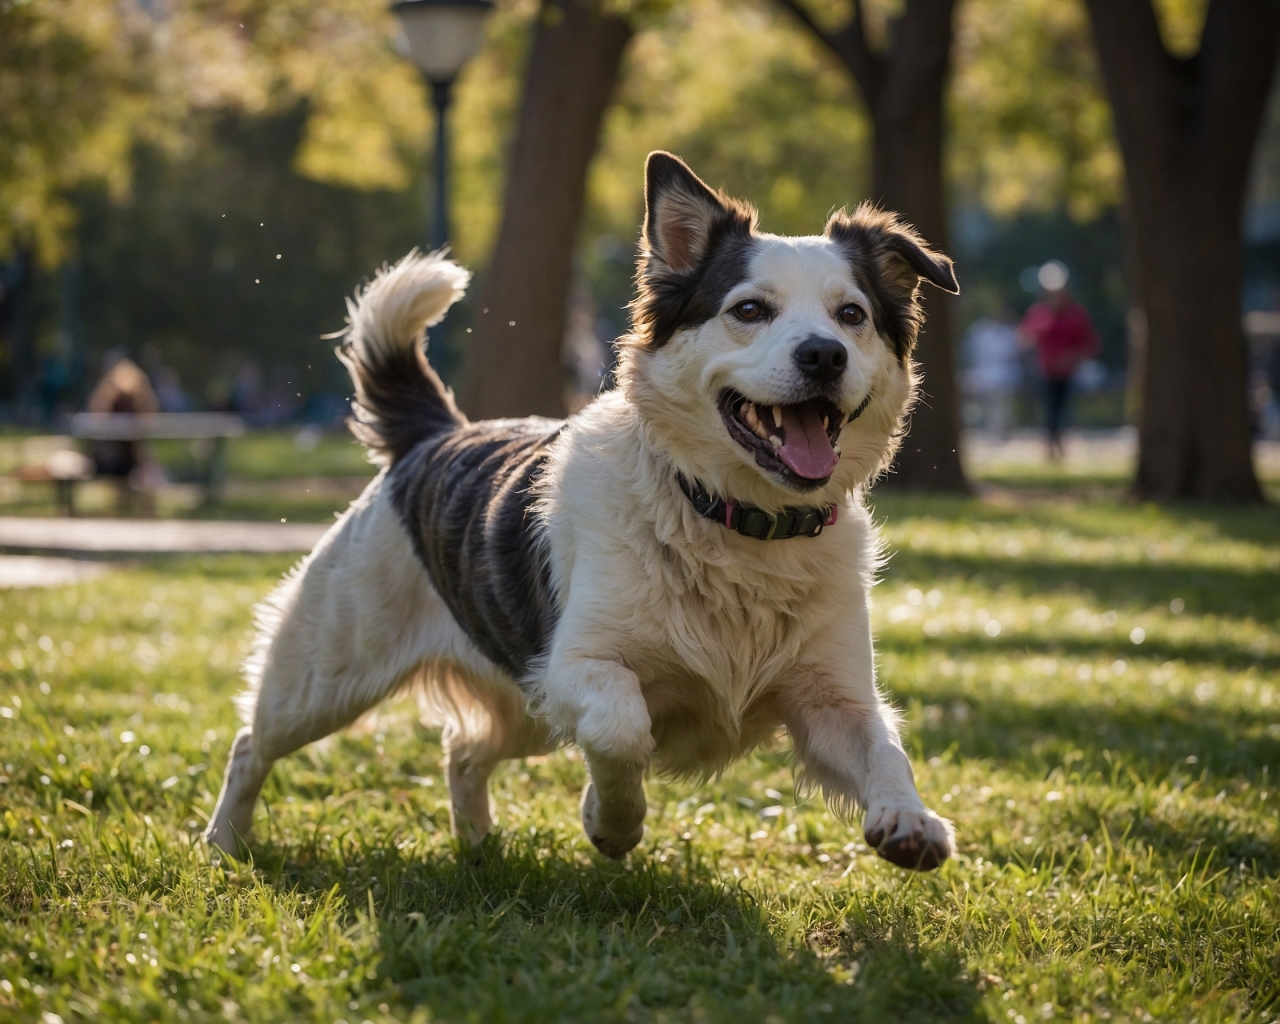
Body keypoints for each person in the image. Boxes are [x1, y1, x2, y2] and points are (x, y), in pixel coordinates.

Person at [1019, 261, 1100, 460]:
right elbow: (1024, 338)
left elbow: (1089, 345)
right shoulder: (1038, 314)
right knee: (1049, 411)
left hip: (1069, 373)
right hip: (1044, 372)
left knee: (1062, 411)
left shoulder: (1076, 315)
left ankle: (1060, 445)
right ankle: (1050, 446)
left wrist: (1071, 357)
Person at [962, 307, 1021, 436]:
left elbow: (1010, 355)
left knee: (999, 397)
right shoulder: (979, 330)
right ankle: (971, 423)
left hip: (1002, 374)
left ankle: (997, 428)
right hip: (982, 373)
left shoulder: (1006, 333)